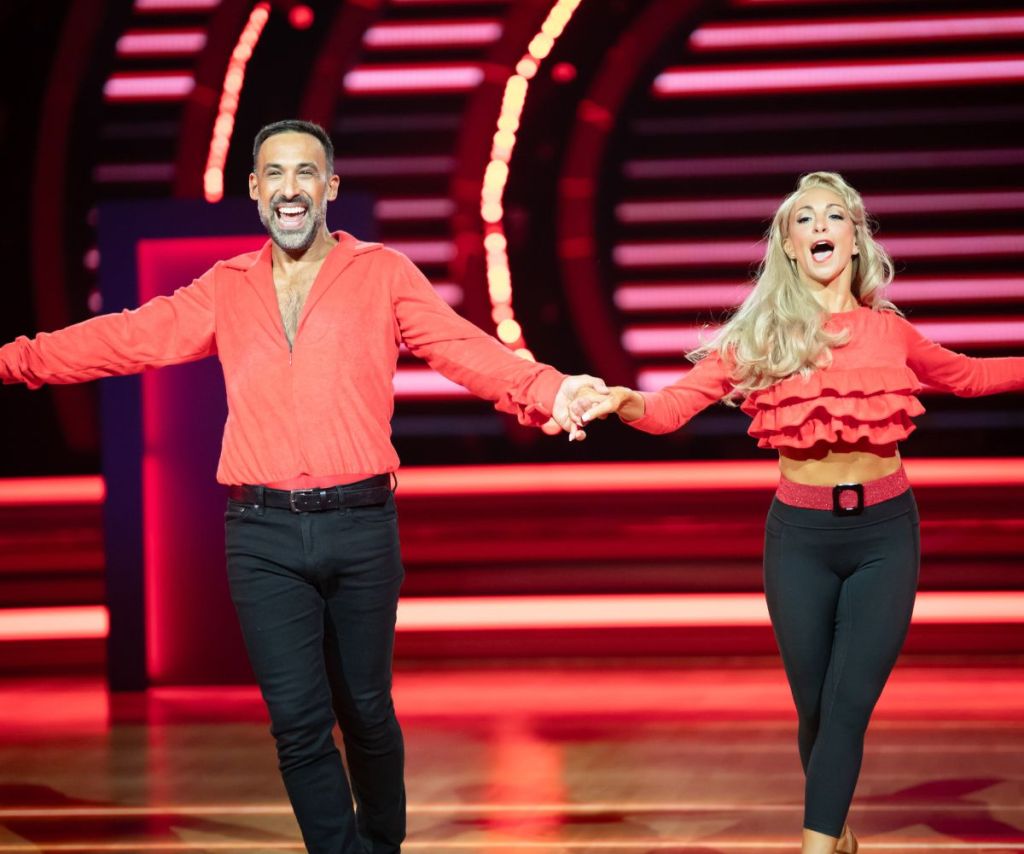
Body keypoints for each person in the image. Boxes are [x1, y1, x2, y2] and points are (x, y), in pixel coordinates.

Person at [0, 119, 602, 854]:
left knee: (368, 712)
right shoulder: (226, 287)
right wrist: (14, 360)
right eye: (276, 175)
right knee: (295, 721)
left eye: (306, 174)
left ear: (330, 188)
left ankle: (380, 843)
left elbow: (464, 350)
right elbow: (126, 337)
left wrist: (550, 389)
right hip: (261, 534)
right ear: (255, 191)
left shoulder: (380, 273)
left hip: (360, 524)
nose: (291, 189)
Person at [572, 171, 1024, 854]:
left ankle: (814, 846)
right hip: (800, 538)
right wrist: (620, 400)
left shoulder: (889, 330)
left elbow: (969, 375)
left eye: (835, 216)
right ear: (787, 244)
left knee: (846, 708)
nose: (821, 226)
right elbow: (669, 409)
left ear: (855, 238)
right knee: (815, 708)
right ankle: (835, 833)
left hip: (884, 535)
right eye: (805, 218)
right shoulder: (757, 338)